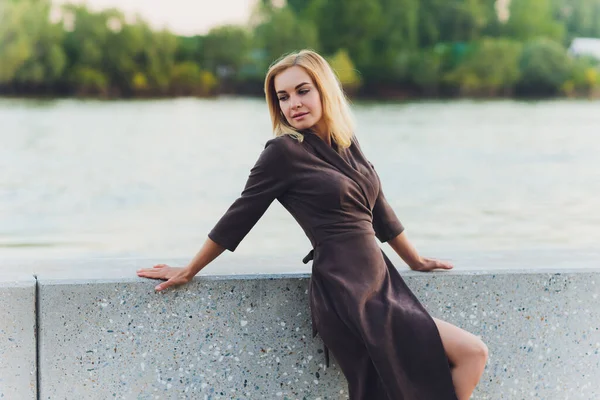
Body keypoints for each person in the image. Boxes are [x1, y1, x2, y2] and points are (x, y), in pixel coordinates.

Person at [136, 49, 488, 400]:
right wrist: (190, 269)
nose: (294, 104)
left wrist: (416, 261)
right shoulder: (283, 152)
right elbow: (239, 215)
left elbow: (380, 210)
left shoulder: (347, 144)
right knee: (471, 352)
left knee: (411, 381)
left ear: (324, 90)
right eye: (283, 97)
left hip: (382, 282)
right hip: (344, 289)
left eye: (303, 91)